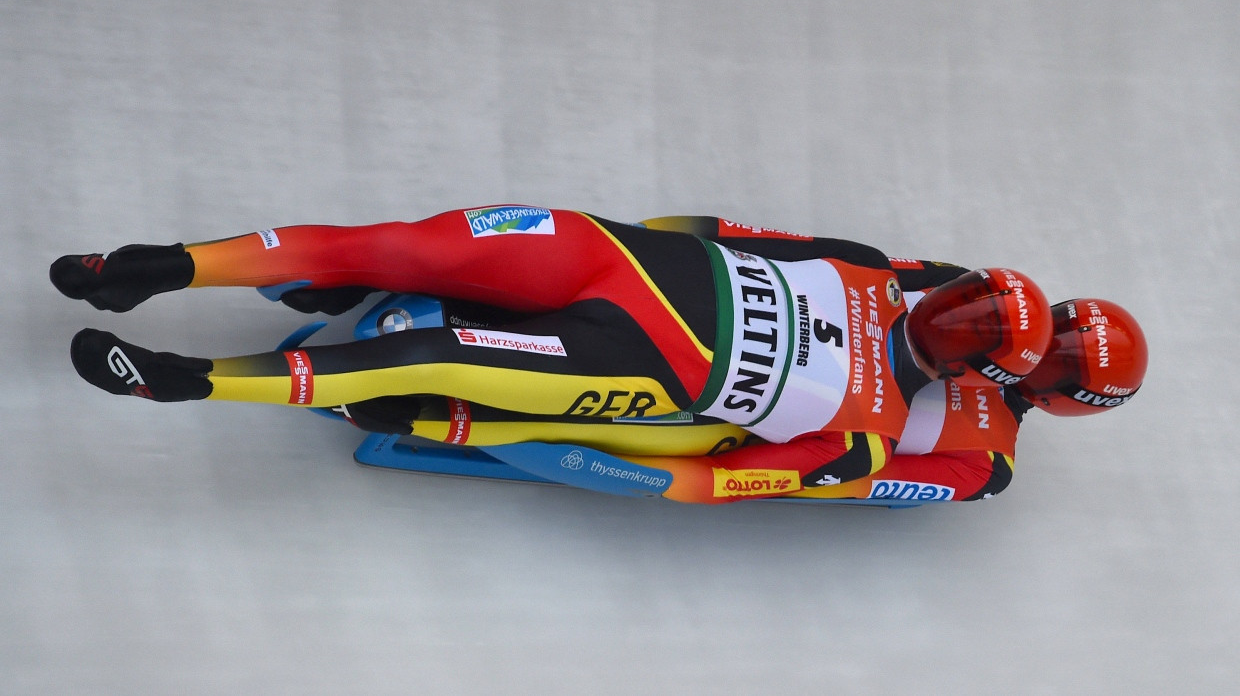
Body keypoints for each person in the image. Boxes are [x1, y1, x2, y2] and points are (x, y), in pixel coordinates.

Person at [51, 206, 1052, 503]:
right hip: (615, 254)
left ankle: (193, 380)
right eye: (962, 301)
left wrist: (542, 446)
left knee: (435, 352)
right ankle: (159, 264)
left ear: (982, 376)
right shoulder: (878, 267)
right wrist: (641, 232)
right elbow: (722, 227)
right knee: (400, 243)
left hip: (626, 357)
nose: (947, 314)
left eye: (966, 330)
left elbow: (717, 480)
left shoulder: (874, 440)